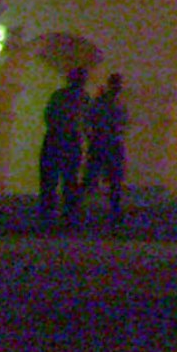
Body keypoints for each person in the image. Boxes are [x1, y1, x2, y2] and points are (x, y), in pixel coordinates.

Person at [38, 63, 91, 228]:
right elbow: (86, 121)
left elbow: (49, 116)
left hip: (56, 137)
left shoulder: (59, 95)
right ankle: (68, 213)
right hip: (69, 139)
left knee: (51, 178)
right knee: (69, 178)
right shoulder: (83, 97)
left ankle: (49, 212)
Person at [87, 72, 130, 229]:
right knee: (102, 177)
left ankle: (113, 210)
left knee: (111, 178)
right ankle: (110, 211)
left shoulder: (105, 102)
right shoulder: (109, 103)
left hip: (106, 141)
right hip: (106, 142)